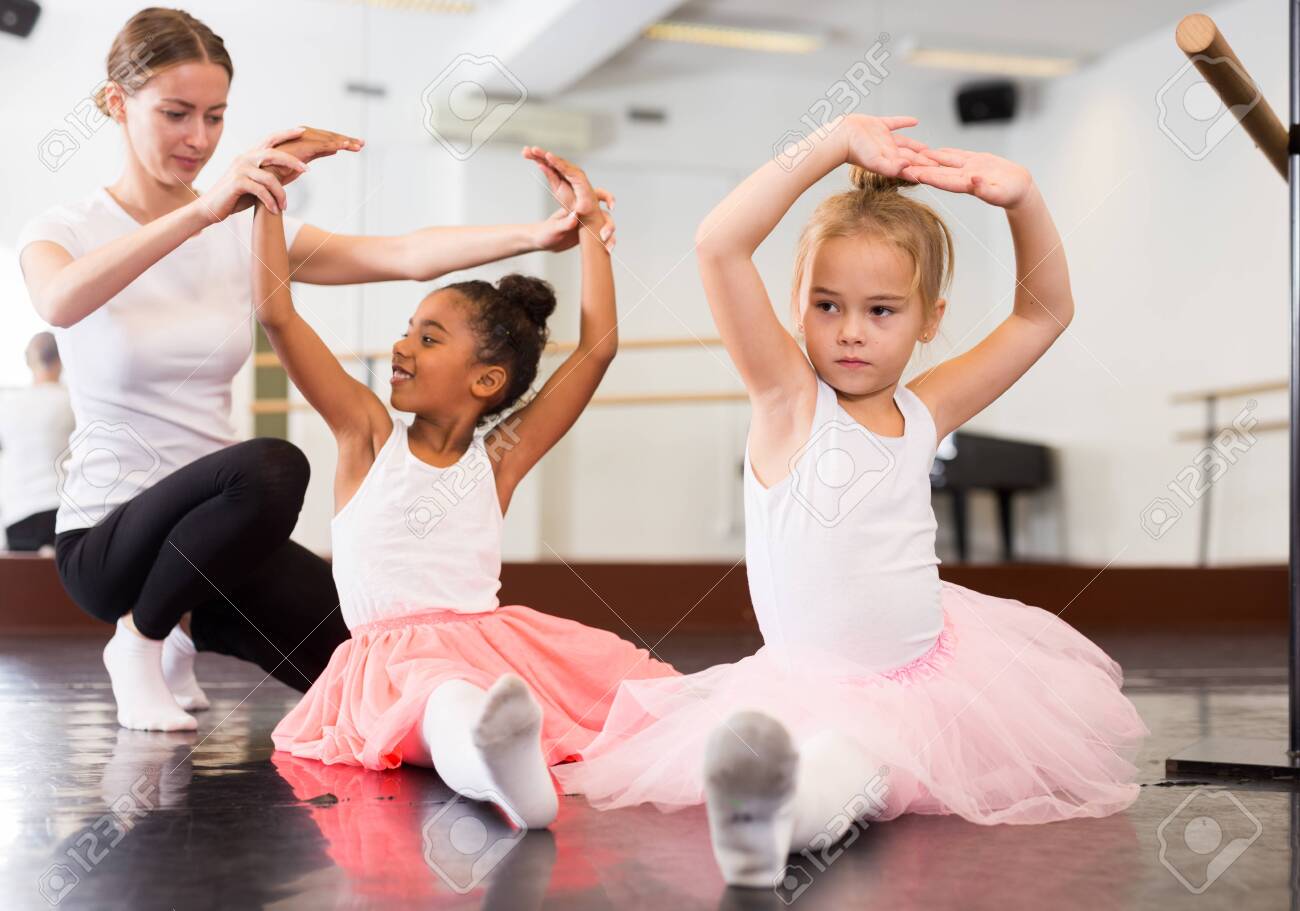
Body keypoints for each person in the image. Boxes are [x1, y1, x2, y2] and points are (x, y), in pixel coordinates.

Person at [553, 114, 1149, 886]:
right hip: (806, 681)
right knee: (833, 754)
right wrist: (832, 141)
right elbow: (718, 244)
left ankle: (769, 821)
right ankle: (762, 812)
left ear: (929, 319)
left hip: (926, 680)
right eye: (826, 305)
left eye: (881, 310)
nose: (850, 333)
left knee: (853, 770)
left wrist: (1023, 199)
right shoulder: (788, 398)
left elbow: (1043, 313)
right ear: (796, 306)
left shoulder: (927, 409)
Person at [16, 8, 605, 732]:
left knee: (363, 664)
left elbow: (404, 252)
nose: (198, 139)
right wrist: (204, 213)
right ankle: (137, 640)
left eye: (214, 116)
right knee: (272, 466)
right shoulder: (67, 229)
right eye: (175, 114)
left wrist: (539, 233)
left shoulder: (242, 228)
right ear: (116, 103)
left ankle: (179, 628)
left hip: (217, 542)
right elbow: (60, 299)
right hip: (108, 540)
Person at [263, 148, 677, 830]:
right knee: (440, 704)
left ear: (485, 381)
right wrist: (269, 206)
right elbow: (278, 314)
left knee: (648, 693)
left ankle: (506, 748)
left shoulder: (499, 459)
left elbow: (596, 348)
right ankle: (499, 764)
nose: (401, 347)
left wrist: (592, 230)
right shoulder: (366, 435)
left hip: (492, 646)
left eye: (428, 338)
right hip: (393, 664)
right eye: (406, 330)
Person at [0, 332, 74, 552]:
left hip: (19, 515)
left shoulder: (7, 406)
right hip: (63, 512)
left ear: (29, 362)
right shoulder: (72, 401)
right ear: (61, 360)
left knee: (26, 585)